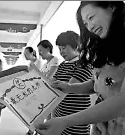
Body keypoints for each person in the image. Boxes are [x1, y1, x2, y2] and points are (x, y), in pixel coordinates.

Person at [35, 1, 125, 135]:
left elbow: (122, 102)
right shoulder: (105, 49)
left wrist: (65, 121)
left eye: (91, 17)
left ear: (112, 7)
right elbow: (97, 84)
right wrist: (69, 87)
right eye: (86, 24)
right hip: (101, 127)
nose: (90, 27)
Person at [52, 31, 93, 135]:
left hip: (75, 115)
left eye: (64, 48)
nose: (61, 52)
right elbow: (51, 83)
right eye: (59, 49)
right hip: (59, 112)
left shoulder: (84, 64)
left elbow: (69, 88)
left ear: (76, 46)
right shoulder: (62, 65)